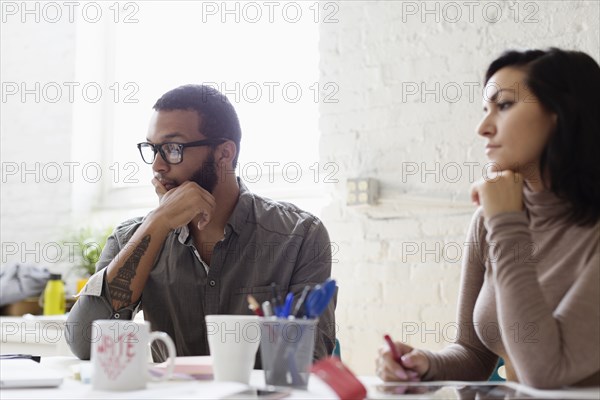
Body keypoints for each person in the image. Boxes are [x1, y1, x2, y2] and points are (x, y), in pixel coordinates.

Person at [377, 48, 600, 389]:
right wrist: (425, 364)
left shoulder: (504, 219)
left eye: (505, 105)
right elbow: (474, 354)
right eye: (485, 109)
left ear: (560, 113)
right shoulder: (491, 218)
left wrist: (507, 223)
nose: (483, 127)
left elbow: (545, 372)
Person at [66, 84, 336, 362]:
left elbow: (312, 359)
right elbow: (85, 344)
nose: (157, 165)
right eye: (152, 148)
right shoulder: (131, 236)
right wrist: (158, 223)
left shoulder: (299, 235)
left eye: (173, 148)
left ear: (224, 154)